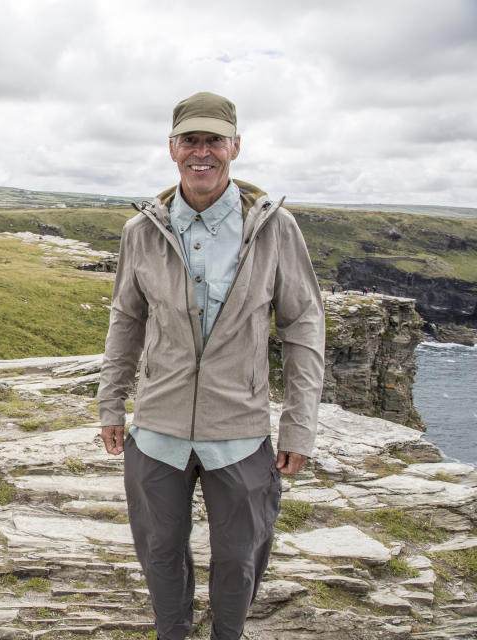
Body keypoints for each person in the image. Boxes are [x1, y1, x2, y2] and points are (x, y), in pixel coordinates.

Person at [97, 92, 325, 640]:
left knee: (240, 558)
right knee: (159, 552)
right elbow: (126, 320)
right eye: (191, 141)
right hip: (156, 429)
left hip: (240, 431)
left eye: (214, 140)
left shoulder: (274, 228)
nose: (203, 152)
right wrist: (111, 401)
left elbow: (303, 326)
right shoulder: (142, 231)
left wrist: (299, 424)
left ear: (235, 147)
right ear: (172, 148)